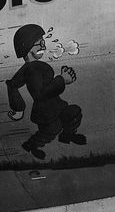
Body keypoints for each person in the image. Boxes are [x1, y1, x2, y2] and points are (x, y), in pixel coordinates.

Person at [6, 24, 86, 160]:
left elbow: (13, 84)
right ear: (27, 47)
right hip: (44, 112)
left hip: (55, 105)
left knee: (73, 112)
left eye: (43, 42)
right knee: (50, 131)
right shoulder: (32, 70)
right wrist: (62, 80)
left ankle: (67, 136)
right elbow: (40, 94)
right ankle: (31, 146)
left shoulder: (34, 67)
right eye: (39, 43)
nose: (43, 47)